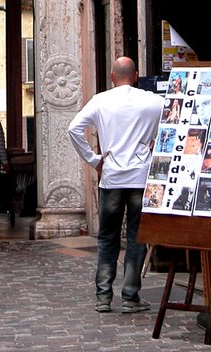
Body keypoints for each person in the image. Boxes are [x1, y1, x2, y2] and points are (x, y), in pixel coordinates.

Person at [68, 56, 164, 314]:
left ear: (112, 76)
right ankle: (130, 296)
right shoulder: (154, 101)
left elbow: (74, 128)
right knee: (136, 238)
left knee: (107, 238)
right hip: (141, 178)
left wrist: (94, 160)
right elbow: (174, 124)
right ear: (136, 76)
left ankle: (103, 296)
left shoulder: (101, 100)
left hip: (111, 177)